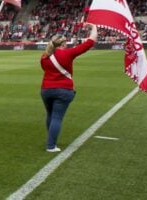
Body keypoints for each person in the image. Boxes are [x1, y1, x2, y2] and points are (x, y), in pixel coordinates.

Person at [40, 24, 97, 153]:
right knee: (57, 117)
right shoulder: (68, 53)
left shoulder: (44, 57)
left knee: (50, 115)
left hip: (46, 90)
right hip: (63, 90)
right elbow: (90, 42)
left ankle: (51, 139)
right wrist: (93, 27)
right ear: (64, 44)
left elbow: (45, 69)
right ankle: (51, 145)